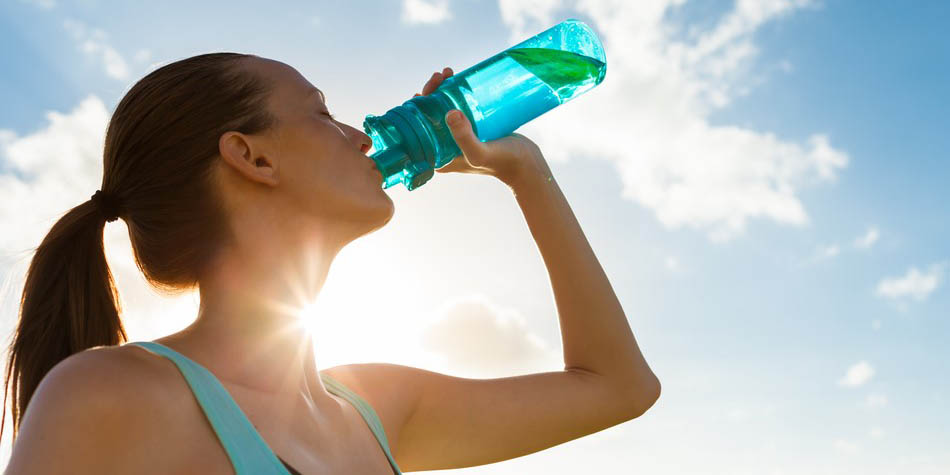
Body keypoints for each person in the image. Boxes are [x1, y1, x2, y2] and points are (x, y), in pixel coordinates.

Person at [2, 53, 660, 474]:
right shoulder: (111, 394)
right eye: (322, 113)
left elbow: (619, 387)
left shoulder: (372, 405)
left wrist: (527, 173)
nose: (359, 133)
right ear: (253, 157)